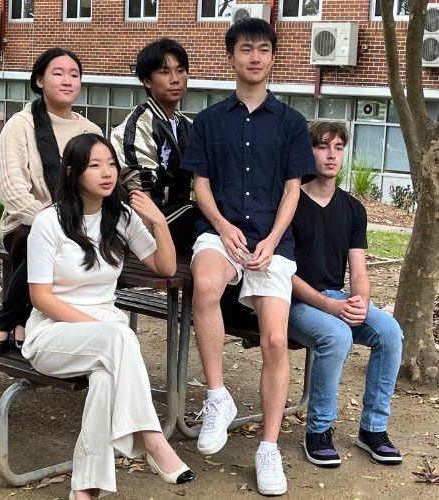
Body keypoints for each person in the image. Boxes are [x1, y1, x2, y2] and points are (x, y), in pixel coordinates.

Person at [180, 19, 315, 496]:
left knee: (276, 341)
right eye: (245, 49)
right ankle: (219, 397)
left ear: (273, 58)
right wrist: (223, 227)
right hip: (221, 233)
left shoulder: (293, 123)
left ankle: (268, 448)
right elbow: (201, 186)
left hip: (272, 242)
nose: (254, 57)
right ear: (230, 57)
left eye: (262, 50)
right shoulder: (208, 121)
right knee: (207, 285)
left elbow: (293, 190)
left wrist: (273, 239)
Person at [23, 133, 191, 499]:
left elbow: (163, 267)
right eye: (95, 165)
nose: (107, 173)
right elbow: (41, 298)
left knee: (104, 379)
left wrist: (159, 223)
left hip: (106, 342)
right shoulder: (48, 223)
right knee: (119, 336)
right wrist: (99, 329)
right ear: (72, 172)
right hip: (53, 335)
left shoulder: (121, 216)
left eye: (111, 164)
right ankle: (154, 441)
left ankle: (85, 489)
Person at [288, 121, 404, 468]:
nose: (331, 155)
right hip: (294, 303)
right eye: (323, 147)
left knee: (389, 332)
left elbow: (360, 272)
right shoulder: (290, 202)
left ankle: (373, 429)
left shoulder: (353, 209)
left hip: (336, 298)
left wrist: (360, 301)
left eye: (338, 147)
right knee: (338, 336)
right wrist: (329, 305)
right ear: (309, 152)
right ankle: (318, 431)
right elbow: (282, 273)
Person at [0, 47, 102, 354]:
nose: (68, 80)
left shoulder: (90, 131)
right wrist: (56, 223)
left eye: (74, 75)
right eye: (58, 73)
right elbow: (14, 195)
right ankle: (14, 319)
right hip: (24, 225)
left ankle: (18, 318)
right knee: (38, 241)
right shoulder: (20, 126)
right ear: (39, 80)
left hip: (81, 226)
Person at [109, 38, 201, 255]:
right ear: (147, 81)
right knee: (199, 217)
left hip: (178, 218)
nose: (175, 79)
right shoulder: (136, 127)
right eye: (165, 72)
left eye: (181, 71)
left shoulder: (187, 125)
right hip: (144, 227)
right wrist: (152, 251)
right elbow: (140, 198)